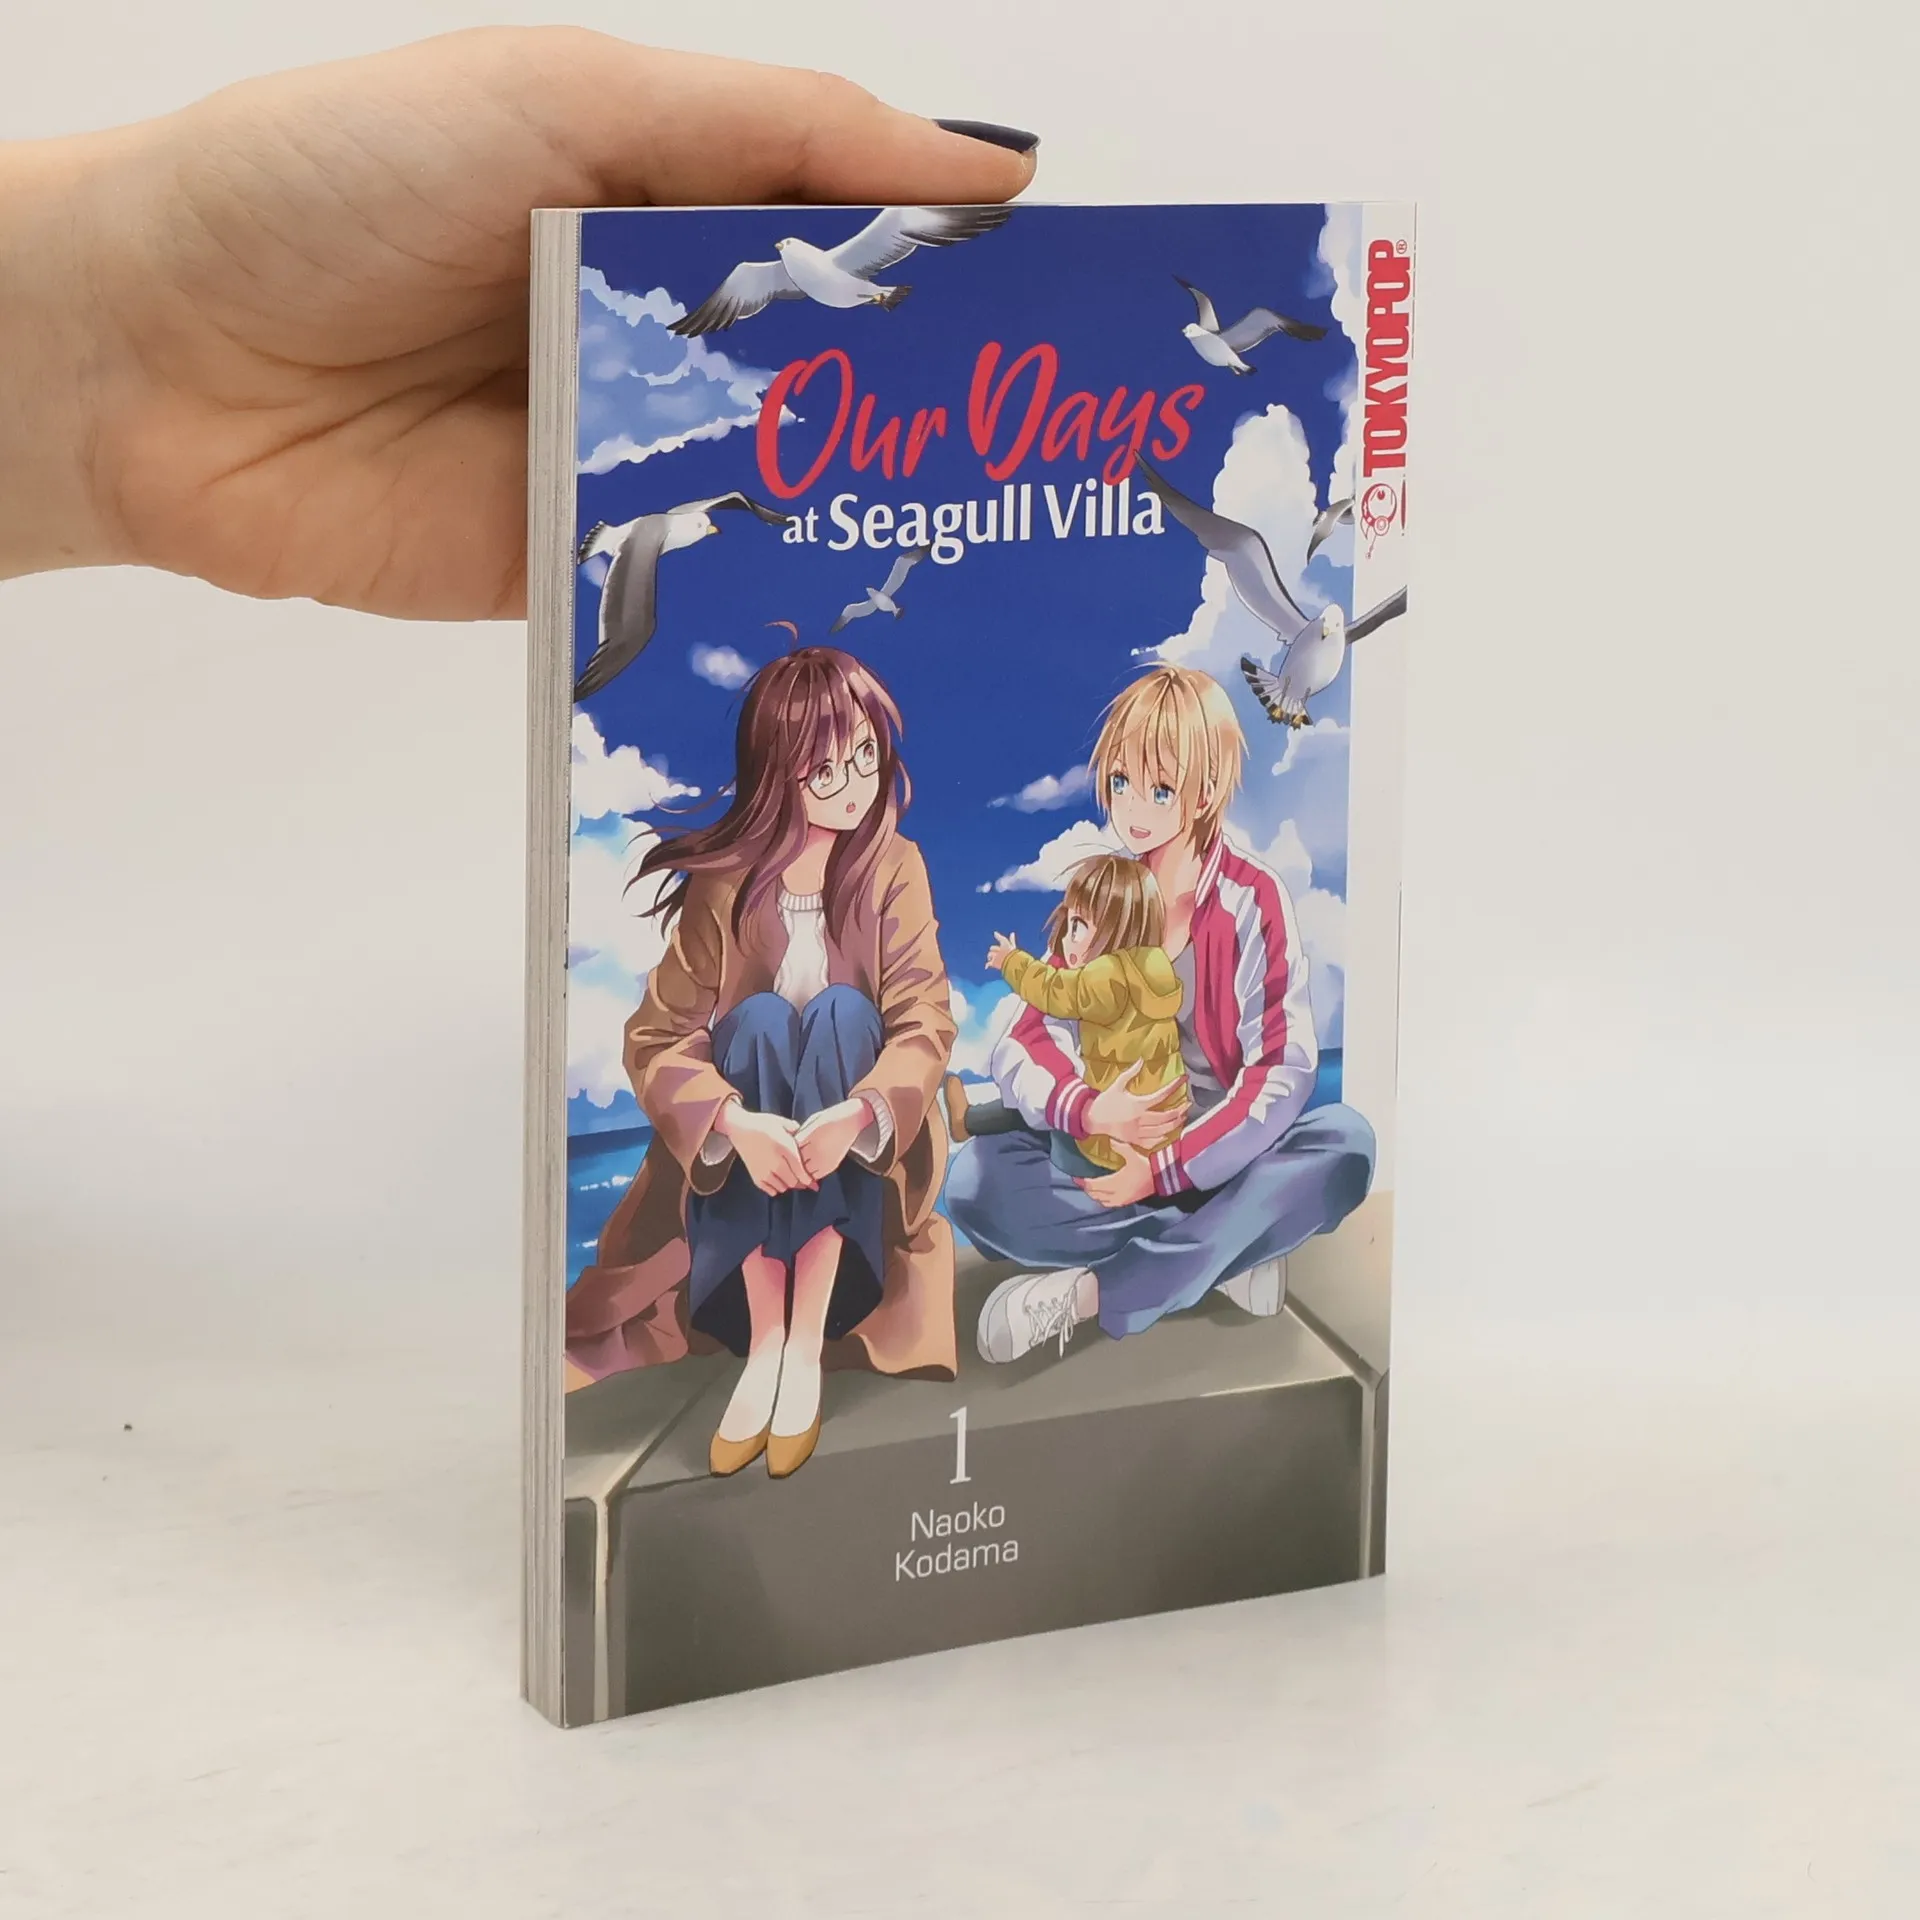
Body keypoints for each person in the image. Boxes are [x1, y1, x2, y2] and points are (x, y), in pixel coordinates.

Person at [0, 29, 1036, 598]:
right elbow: (735, 299)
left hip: (871, 289)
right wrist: (115, 304)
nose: (782, 262)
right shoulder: (771, 271)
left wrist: (112, 308)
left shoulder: (845, 254)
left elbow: (910, 224)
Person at [564, 649, 957, 1478]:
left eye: (866, 755)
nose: (854, 783)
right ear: (780, 772)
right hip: (744, 1193)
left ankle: (805, 1342)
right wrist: (734, 1124)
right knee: (759, 1023)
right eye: (826, 768)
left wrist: (857, 1115)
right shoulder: (727, 886)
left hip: (859, 1185)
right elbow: (657, 1036)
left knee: (845, 1015)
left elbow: (924, 1020)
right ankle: (768, 1337)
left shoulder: (895, 867)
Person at [946, 663, 1376, 1364]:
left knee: (1346, 1145)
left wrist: (1167, 1170)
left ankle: (1098, 1292)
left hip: (1217, 1160)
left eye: (1160, 788)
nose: (1132, 808)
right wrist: (1091, 1110)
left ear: (1204, 793)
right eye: (1120, 782)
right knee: (974, 1182)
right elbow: (1027, 1037)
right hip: (1109, 1155)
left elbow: (1281, 1070)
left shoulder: (1251, 898)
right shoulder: (1108, 892)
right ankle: (1225, 1253)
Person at [944, 853, 1184, 1176]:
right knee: (1048, 1094)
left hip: (1105, 1147)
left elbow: (1052, 990)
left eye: (1080, 926)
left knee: (1047, 1114)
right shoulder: (1153, 969)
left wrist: (1012, 961)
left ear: (1117, 932)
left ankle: (971, 1121)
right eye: (1071, 923)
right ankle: (969, 1119)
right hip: (1164, 1143)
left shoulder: (1102, 977)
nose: (1070, 938)